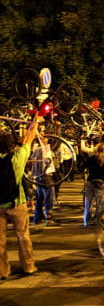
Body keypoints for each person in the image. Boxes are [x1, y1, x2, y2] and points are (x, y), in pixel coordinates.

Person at [0, 116, 40, 279]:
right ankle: (28, 266)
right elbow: (29, 138)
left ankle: (2, 271)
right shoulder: (17, 158)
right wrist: (35, 122)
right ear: (12, 146)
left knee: (0, 241)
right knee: (23, 236)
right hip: (17, 203)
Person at [81, 142, 104, 227]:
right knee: (99, 205)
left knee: (88, 204)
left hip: (90, 182)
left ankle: (86, 223)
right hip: (99, 184)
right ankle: (98, 223)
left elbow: (83, 166)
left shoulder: (92, 158)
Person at [31, 134, 56, 225]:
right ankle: (48, 218)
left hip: (38, 177)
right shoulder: (45, 150)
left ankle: (37, 218)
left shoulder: (35, 149)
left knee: (39, 198)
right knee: (49, 198)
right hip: (46, 176)